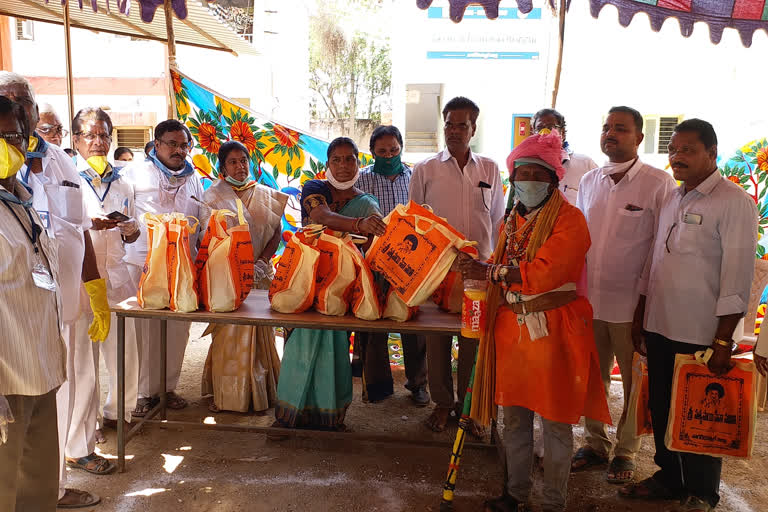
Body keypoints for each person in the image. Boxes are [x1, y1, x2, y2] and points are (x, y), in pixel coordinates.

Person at [458, 129, 610, 512]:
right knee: (514, 420)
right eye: (522, 174)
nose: (527, 181)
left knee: (556, 424)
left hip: (555, 331)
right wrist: (479, 266)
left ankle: (553, 502)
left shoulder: (571, 220)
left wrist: (491, 271)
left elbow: (543, 273)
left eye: (538, 175)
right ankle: (515, 494)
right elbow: (499, 266)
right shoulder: (511, 221)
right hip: (513, 329)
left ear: (554, 180)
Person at [621, 119, 757, 512]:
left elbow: (737, 276)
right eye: (674, 150)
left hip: (701, 333)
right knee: (663, 408)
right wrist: (640, 315)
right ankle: (669, 477)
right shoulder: (673, 198)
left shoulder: (733, 203)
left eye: (688, 150)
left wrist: (722, 341)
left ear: (712, 154)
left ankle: (702, 490)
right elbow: (654, 262)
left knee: (700, 414)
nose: (677, 157)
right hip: (660, 324)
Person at [0, 71, 108, 508]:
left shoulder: (42, 178)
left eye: (23, 108)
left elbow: (77, 231)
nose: (18, 126)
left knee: (38, 483)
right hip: (7, 371)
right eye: (4, 121)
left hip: (45, 356)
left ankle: (61, 484)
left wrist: (95, 290)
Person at [572, 106, 675, 483]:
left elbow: (661, 248)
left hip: (632, 306)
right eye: (606, 127)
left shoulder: (658, 183)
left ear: (638, 138)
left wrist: (645, 307)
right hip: (590, 301)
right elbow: (580, 242)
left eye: (620, 128)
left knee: (634, 383)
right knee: (591, 378)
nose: (610, 134)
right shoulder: (590, 181)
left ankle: (626, 450)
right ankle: (595, 444)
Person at [273, 137, 386, 431]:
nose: (344, 165)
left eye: (350, 159)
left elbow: (371, 250)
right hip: (306, 279)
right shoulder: (315, 188)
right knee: (300, 343)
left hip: (341, 286)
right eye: (337, 159)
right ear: (328, 164)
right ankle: (287, 418)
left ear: (358, 164)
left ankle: (330, 416)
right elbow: (320, 215)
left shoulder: (368, 202)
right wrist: (359, 225)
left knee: (334, 347)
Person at [409, 96, 504, 435]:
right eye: (449, 123)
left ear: (473, 129)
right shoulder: (425, 169)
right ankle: (442, 403)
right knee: (436, 341)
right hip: (439, 271)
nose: (454, 130)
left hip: (478, 273)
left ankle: (470, 407)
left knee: (473, 339)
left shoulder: (490, 169)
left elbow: (496, 220)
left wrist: (489, 264)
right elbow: (416, 223)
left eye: (461, 124)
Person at [0, 95, 67, 511]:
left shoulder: (21, 199)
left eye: (17, 136)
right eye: (2, 136)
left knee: (38, 491)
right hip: (5, 381)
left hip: (40, 368)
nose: (12, 144)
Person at [123, 120, 204, 416]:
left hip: (183, 260)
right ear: (156, 144)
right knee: (146, 328)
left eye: (184, 145)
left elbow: (200, 215)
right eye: (172, 143)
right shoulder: (135, 173)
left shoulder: (194, 176)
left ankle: (168, 387)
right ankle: (145, 393)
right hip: (145, 260)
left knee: (178, 326)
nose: (178, 150)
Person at [201, 141, 288, 413]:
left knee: (260, 331)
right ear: (222, 166)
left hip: (260, 273)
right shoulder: (211, 197)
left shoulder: (266, 195)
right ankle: (227, 395)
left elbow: (276, 233)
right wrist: (232, 263)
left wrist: (261, 261)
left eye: (244, 161)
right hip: (226, 275)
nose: (240, 167)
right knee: (228, 334)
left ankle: (261, 393)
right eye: (233, 162)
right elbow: (209, 236)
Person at [73, 108, 141, 434]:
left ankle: (119, 414)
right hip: (83, 279)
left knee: (124, 351)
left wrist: (129, 228)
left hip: (118, 274)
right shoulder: (68, 179)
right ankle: (88, 425)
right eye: (90, 135)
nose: (98, 142)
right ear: (76, 140)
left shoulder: (124, 180)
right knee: (85, 357)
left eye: (104, 135)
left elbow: (135, 231)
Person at [355, 125, 429, 405]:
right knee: (373, 320)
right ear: (372, 151)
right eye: (382, 151)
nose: (389, 155)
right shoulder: (362, 179)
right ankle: (376, 385)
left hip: (408, 260)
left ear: (401, 148)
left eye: (394, 150)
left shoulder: (414, 178)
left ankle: (418, 384)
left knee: (413, 321)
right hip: (372, 258)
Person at [531, 108, 597, 204]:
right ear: (533, 133)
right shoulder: (525, 167)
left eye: (551, 127)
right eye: (539, 128)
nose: (545, 133)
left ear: (562, 132)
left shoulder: (585, 164)